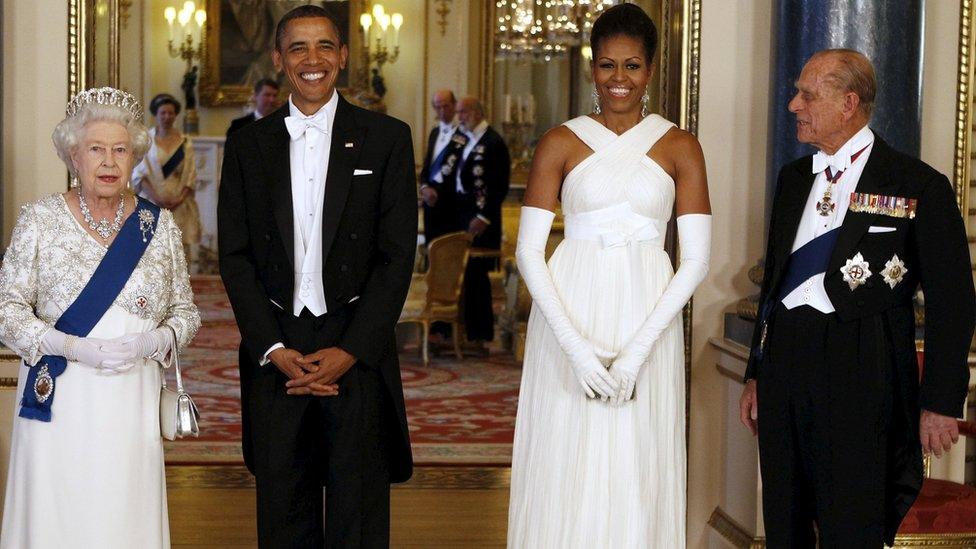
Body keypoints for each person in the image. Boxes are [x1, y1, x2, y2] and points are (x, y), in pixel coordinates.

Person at [739, 49, 975, 548]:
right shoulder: (793, 180)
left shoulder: (917, 185)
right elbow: (775, 285)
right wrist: (757, 371)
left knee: (853, 522)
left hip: (862, 367)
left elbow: (953, 300)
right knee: (784, 518)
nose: (793, 104)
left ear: (848, 103)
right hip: (785, 367)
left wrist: (940, 401)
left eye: (807, 94)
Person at [507, 4, 710, 547]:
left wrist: (637, 350)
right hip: (571, 311)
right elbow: (529, 253)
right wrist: (575, 349)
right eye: (607, 66)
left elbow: (695, 260)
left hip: (648, 315)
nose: (619, 80)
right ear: (591, 67)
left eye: (633, 66)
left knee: (635, 454)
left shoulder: (680, 145)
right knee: (567, 447)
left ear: (651, 69)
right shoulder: (559, 141)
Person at [217, 5, 417, 547]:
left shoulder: (387, 138)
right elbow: (233, 258)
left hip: (356, 346)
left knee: (358, 513)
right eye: (298, 48)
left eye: (325, 46)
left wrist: (351, 349)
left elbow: (397, 257)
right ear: (279, 59)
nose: (313, 59)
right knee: (283, 510)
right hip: (276, 350)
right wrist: (273, 346)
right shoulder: (246, 146)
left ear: (343, 56)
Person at [0, 87, 201, 548]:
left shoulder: (159, 226)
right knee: (61, 509)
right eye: (96, 149)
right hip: (62, 396)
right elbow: (7, 312)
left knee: (121, 508)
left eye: (120, 150)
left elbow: (186, 313)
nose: (109, 162)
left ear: (134, 158)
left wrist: (153, 341)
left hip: (130, 397)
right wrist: (72, 346)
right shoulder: (39, 219)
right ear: (73, 156)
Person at [446, 96, 510, 346]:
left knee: (477, 276)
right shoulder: (465, 141)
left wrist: (484, 217)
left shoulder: (493, 141)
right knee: (465, 275)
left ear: (475, 112)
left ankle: (480, 334)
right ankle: (465, 332)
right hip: (463, 215)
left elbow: (498, 184)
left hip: (482, 219)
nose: (459, 117)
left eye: (462, 112)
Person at [132, 93, 202, 270]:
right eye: (163, 113)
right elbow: (139, 174)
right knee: (152, 248)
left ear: (176, 115)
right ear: (156, 114)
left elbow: (191, 174)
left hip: (179, 204)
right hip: (151, 202)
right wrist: (157, 199)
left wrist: (178, 200)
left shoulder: (185, 143)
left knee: (178, 250)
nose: (167, 117)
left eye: (170, 113)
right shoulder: (145, 141)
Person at [418, 89, 462, 245]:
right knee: (432, 250)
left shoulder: (463, 135)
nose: (442, 111)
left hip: (451, 206)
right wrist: (424, 188)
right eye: (438, 107)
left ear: (455, 106)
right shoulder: (434, 133)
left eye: (446, 106)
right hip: (431, 206)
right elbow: (427, 166)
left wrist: (437, 192)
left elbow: (461, 173)